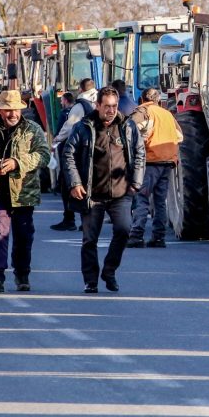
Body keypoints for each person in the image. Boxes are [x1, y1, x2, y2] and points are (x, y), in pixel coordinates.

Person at [62, 86, 144, 293]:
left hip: (121, 192)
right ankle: (90, 280)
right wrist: (75, 183)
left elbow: (139, 152)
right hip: (92, 194)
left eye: (114, 106)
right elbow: (68, 155)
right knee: (90, 239)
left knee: (124, 230)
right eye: (106, 106)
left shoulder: (127, 126)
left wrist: (136, 182)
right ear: (97, 105)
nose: (111, 110)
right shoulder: (83, 127)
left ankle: (109, 271)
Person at [0, 90, 50, 293]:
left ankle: (22, 273)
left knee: (23, 236)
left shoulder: (32, 129)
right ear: (0, 110)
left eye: (15, 110)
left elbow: (44, 155)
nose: (12, 114)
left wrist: (17, 163)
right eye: (7, 110)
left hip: (24, 193)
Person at [128, 88, 182, 248]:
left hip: (150, 161)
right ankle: (158, 237)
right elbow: (180, 136)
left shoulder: (143, 112)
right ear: (158, 100)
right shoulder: (167, 114)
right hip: (168, 161)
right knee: (160, 201)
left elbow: (129, 132)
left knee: (142, 198)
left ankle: (136, 235)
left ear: (142, 99)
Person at [50, 79, 97, 232]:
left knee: (67, 183)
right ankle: (88, 220)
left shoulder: (80, 105)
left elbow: (69, 126)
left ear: (80, 89)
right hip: (96, 149)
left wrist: (57, 139)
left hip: (78, 149)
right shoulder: (100, 101)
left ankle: (69, 219)